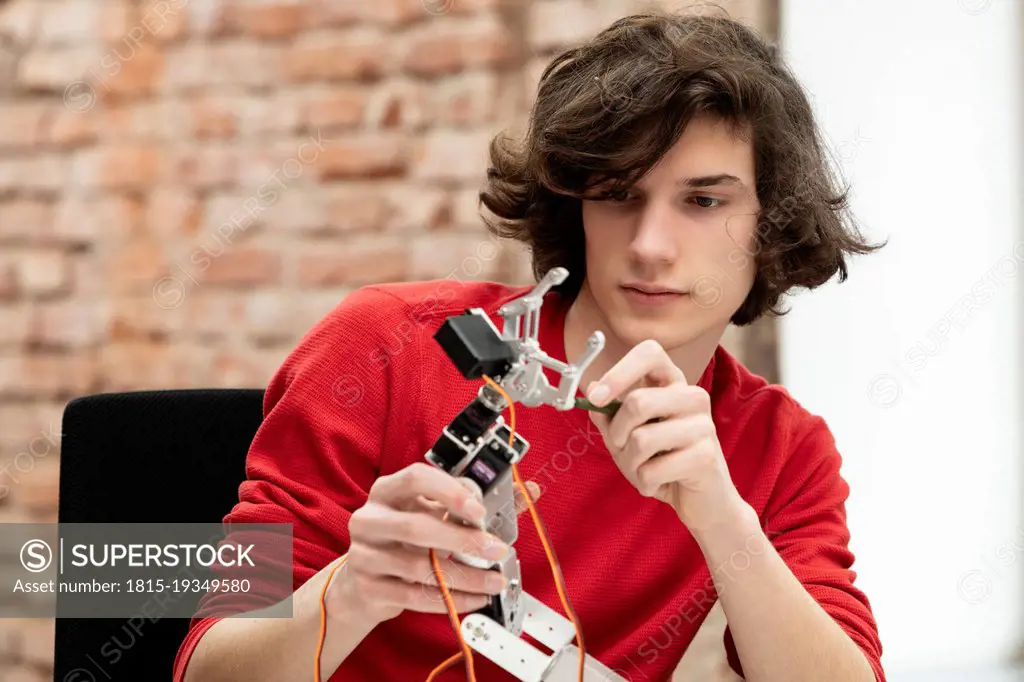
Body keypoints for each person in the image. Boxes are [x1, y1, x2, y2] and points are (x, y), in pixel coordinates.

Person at [174, 9, 885, 682]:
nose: (650, 246)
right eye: (617, 194)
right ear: (573, 207)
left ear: (772, 223)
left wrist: (723, 518)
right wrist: (354, 588)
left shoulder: (780, 449)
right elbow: (208, 667)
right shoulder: (384, 344)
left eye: (704, 201)